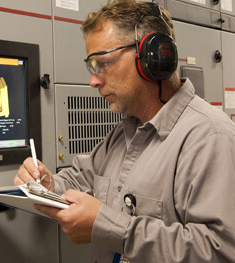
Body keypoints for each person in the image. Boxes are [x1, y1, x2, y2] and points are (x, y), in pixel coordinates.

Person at [14, 0, 235, 262]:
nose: (93, 80)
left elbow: (219, 250)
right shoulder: (123, 134)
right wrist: (46, 184)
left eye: (103, 63)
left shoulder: (210, 137)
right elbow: (76, 181)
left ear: (153, 57)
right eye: (91, 66)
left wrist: (110, 228)